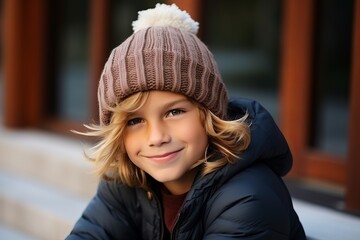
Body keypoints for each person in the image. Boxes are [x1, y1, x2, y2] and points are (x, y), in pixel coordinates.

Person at [66, 3, 306, 240]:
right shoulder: (125, 183)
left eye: (174, 112)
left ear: (210, 113)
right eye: (135, 120)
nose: (157, 137)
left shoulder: (248, 197)